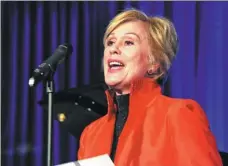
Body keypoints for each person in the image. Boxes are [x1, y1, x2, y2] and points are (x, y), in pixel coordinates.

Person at [77, 9, 222, 166]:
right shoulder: (91, 134)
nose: (113, 49)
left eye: (128, 42)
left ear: (154, 65)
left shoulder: (178, 114)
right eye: (110, 42)